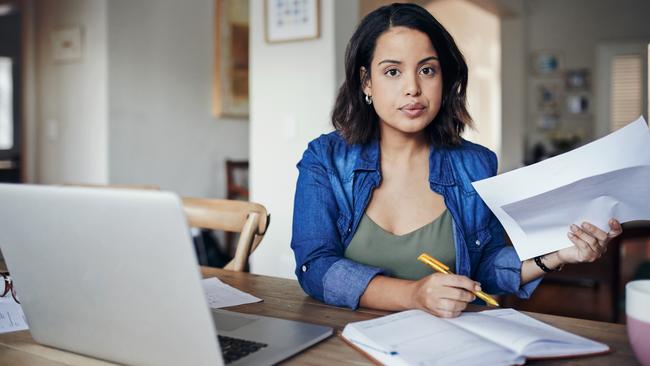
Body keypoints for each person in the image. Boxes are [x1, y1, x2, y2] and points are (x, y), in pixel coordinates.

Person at [290, 3, 622, 318]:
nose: (413, 88)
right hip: (342, 341)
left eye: (427, 70)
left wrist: (557, 255)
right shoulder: (326, 159)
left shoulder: (476, 165)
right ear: (366, 82)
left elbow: (486, 269)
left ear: (444, 79)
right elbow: (315, 266)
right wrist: (413, 295)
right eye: (392, 71)